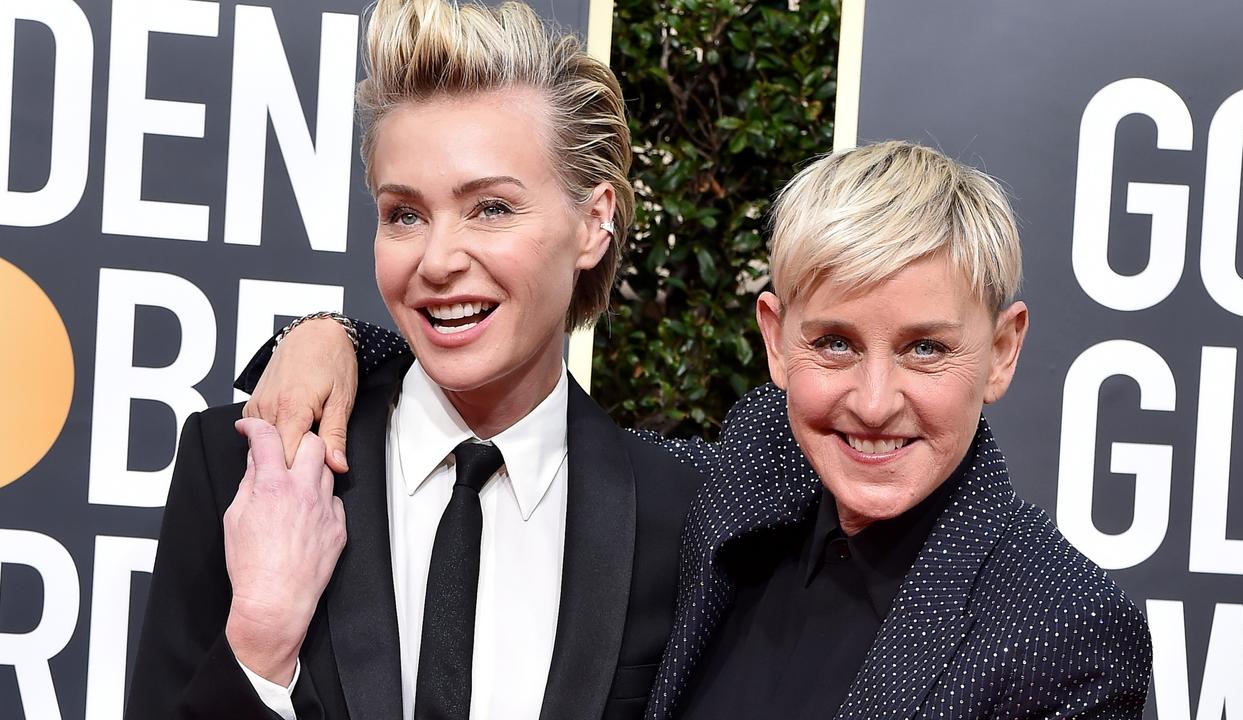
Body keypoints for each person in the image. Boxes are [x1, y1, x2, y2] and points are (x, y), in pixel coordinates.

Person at [239, 142, 1153, 718]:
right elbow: (544, 424)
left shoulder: (1064, 630)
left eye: (924, 351)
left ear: (1001, 351)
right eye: (833, 344)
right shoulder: (750, 481)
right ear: (774, 340)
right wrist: (329, 339)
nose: (874, 403)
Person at [124, 1, 701, 719]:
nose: (437, 261)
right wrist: (259, 649)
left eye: (491, 208)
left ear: (593, 224)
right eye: (405, 214)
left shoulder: (680, 516)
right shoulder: (246, 464)